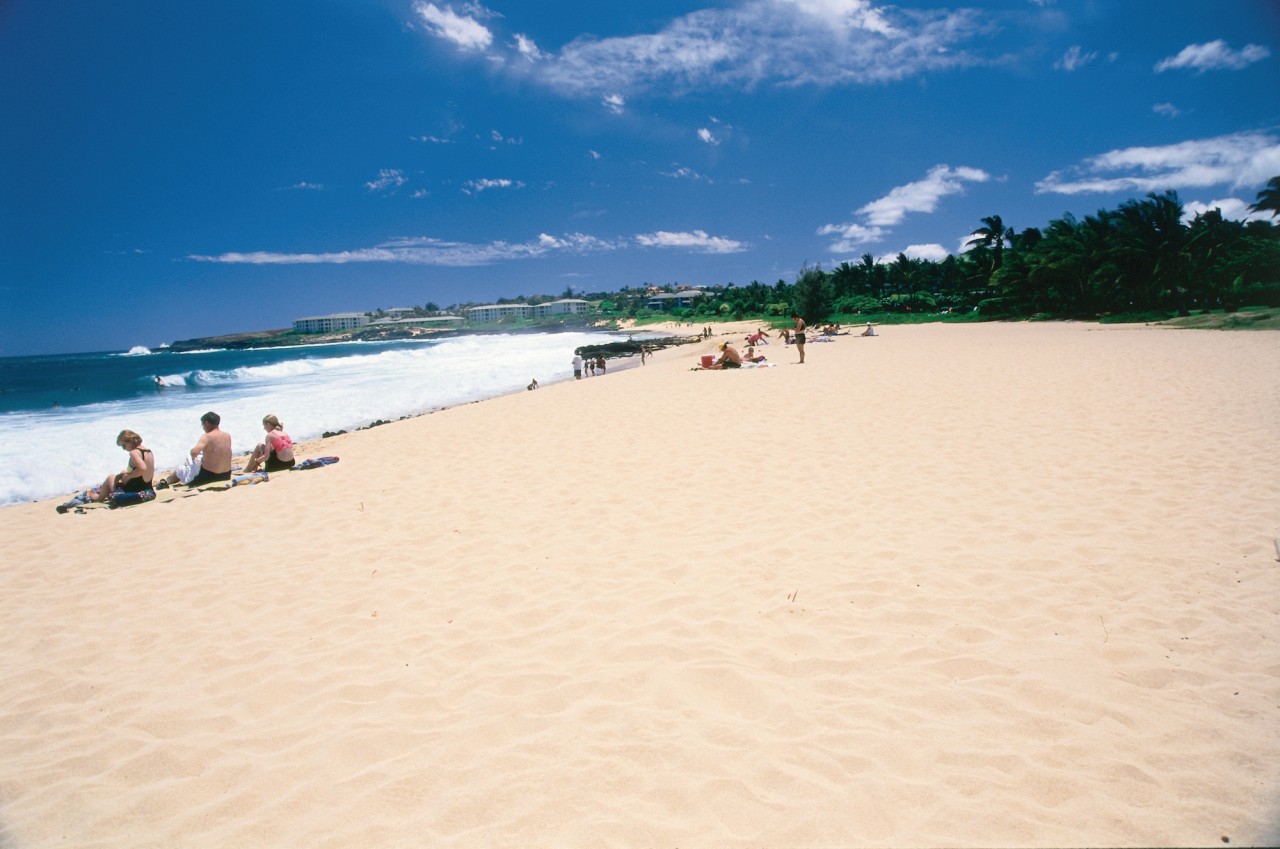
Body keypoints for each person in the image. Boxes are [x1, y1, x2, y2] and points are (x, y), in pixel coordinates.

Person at [159, 411, 233, 488]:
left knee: (180, 469)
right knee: (197, 461)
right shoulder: (227, 435)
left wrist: (192, 455)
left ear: (206, 423)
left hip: (208, 477)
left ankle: (166, 482)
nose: (203, 427)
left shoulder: (207, 436)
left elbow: (194, 453)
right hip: (225, 475)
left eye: (202, 424)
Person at [88, 429, 155, 502]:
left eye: (124, 446)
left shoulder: (134, 453)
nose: (124, 449)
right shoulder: (148, 451)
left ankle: (98, 498)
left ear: (130, 441)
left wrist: (129, 476)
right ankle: (103, 494)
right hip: (149, 493)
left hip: (134, 495)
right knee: (123, 472)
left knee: (110, 477)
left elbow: (142, 468)